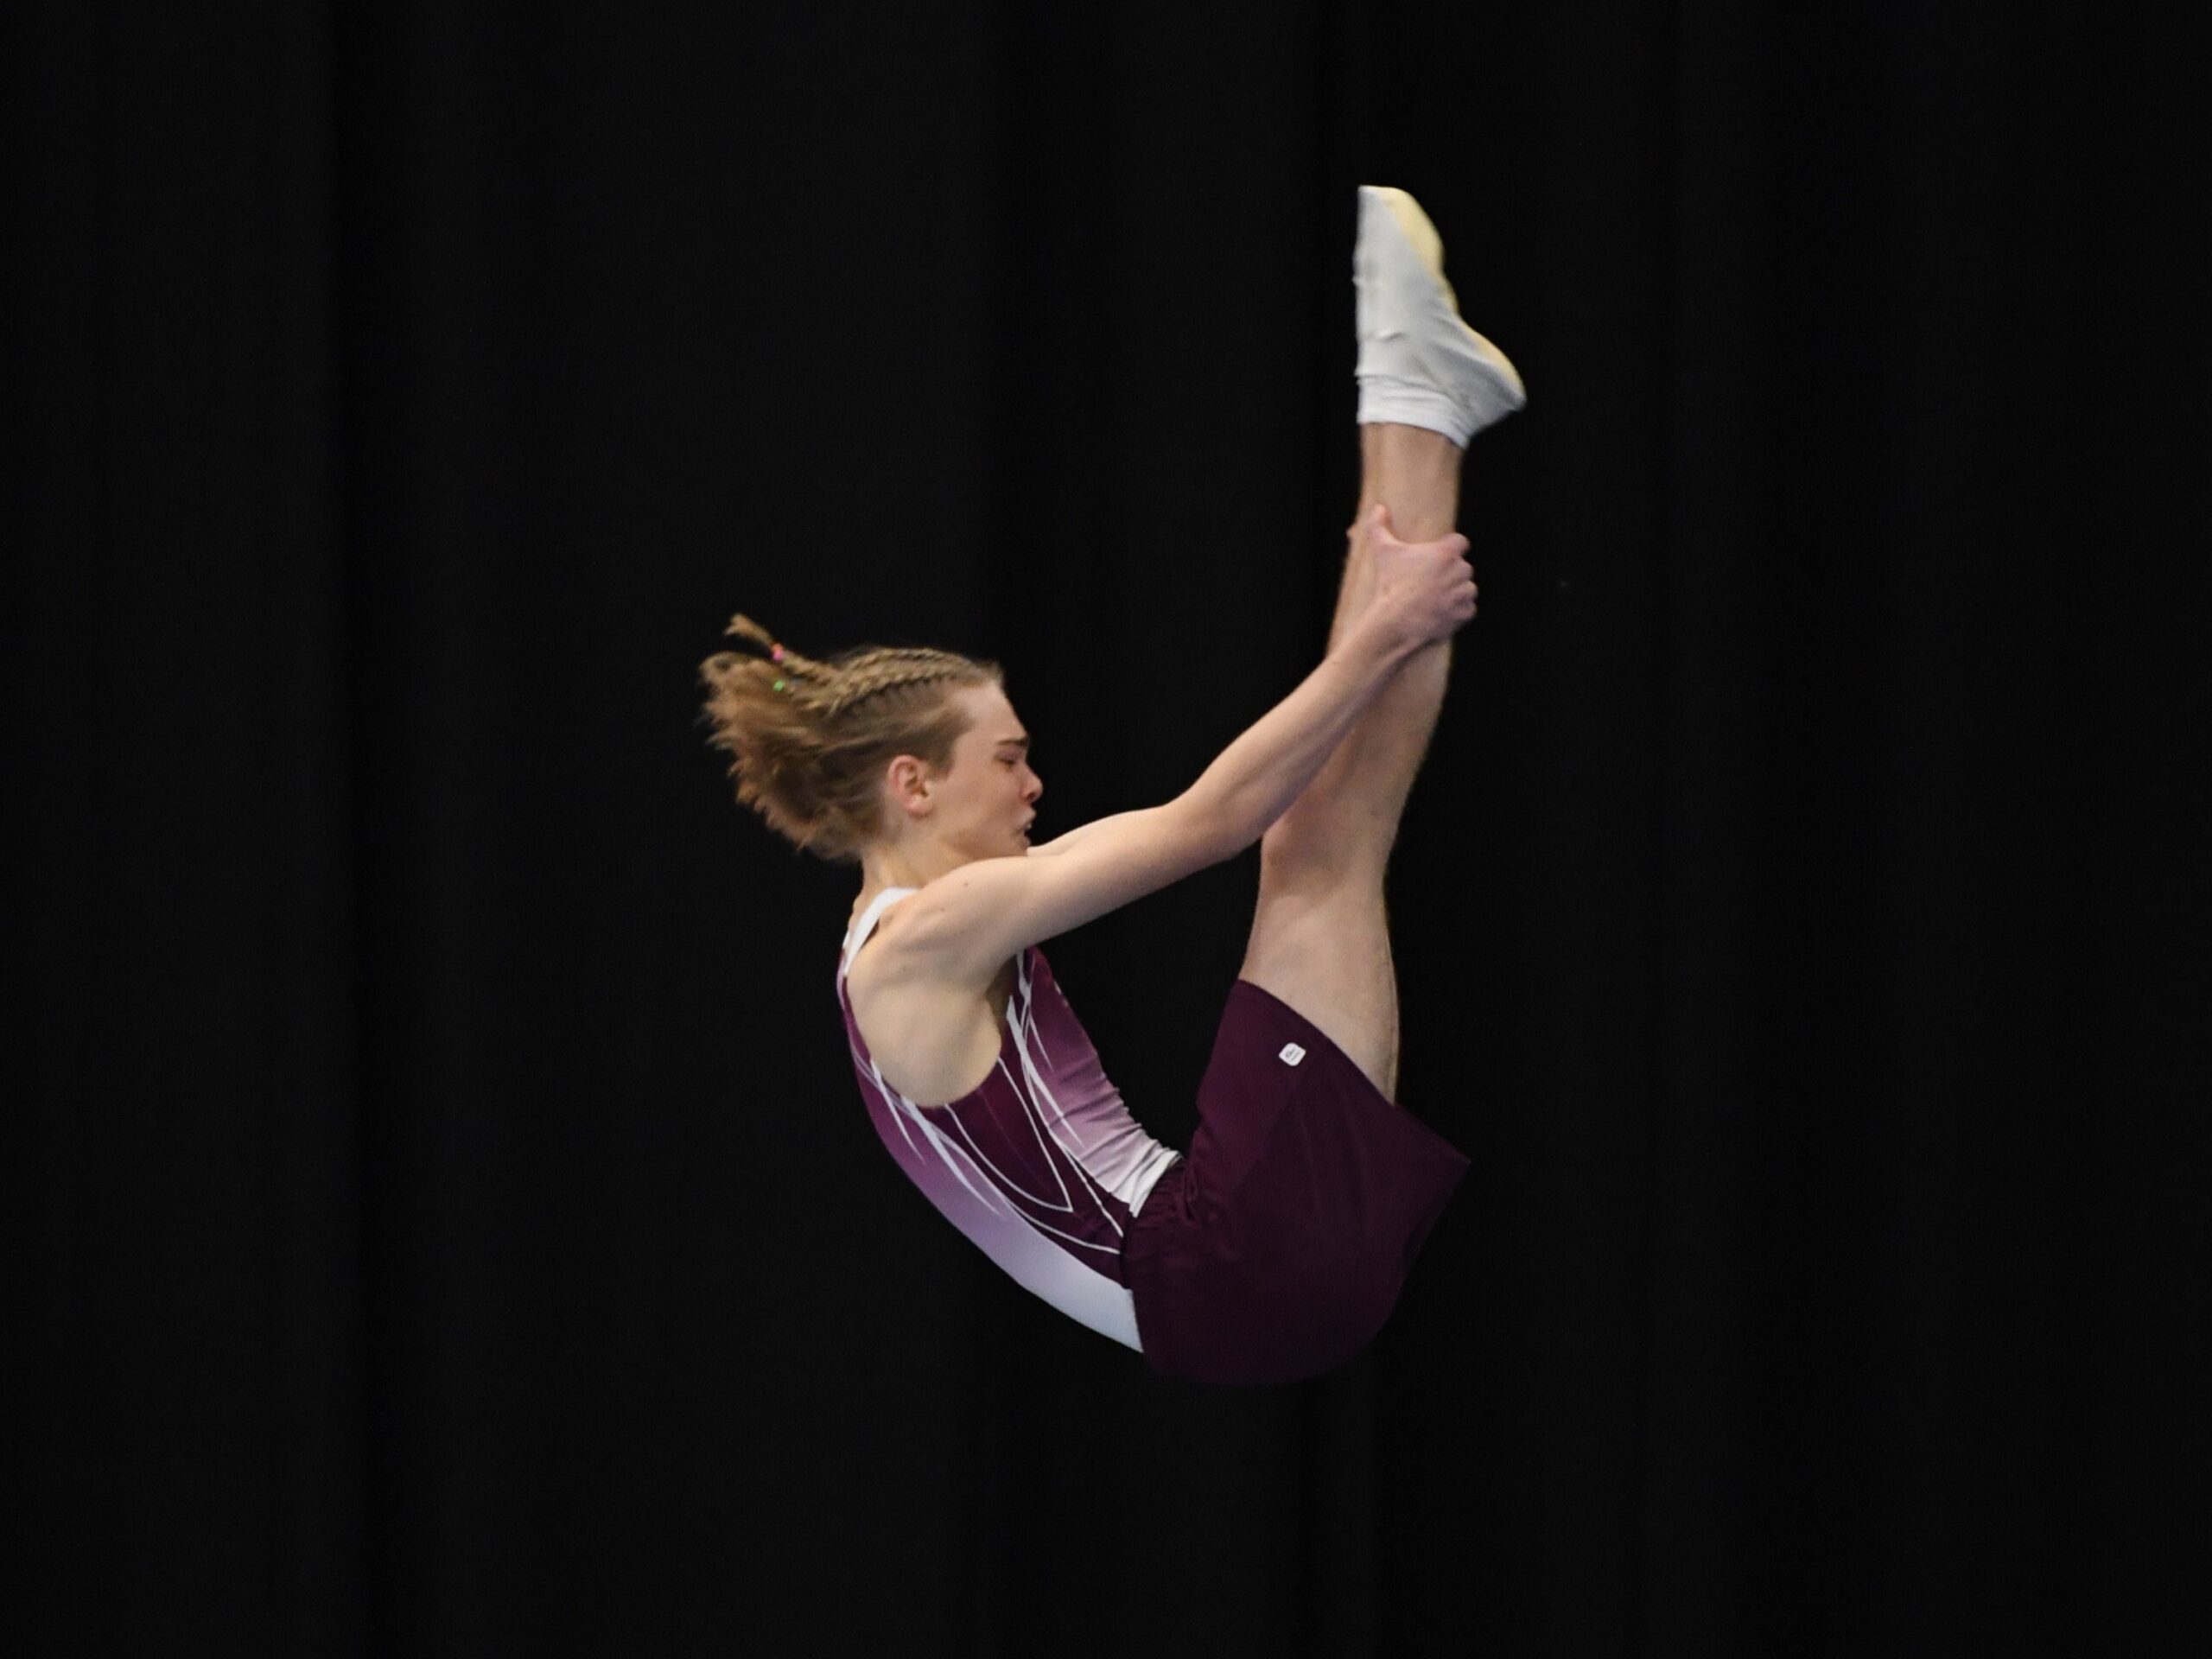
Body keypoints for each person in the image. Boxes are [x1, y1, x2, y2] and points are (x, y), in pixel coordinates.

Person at [699, 186, 1525, 1384]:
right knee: (1314, 841)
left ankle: (1419, 410)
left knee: (1320, 836)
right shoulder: (925, 939)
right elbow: (1211, 819)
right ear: (912, 786)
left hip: (1225, 1289)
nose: (1036, 784)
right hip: (1232, 1269)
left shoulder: (915, 938)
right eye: (1009, 758)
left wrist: (1376, 636)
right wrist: (1380, 636)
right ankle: (1415, 403)